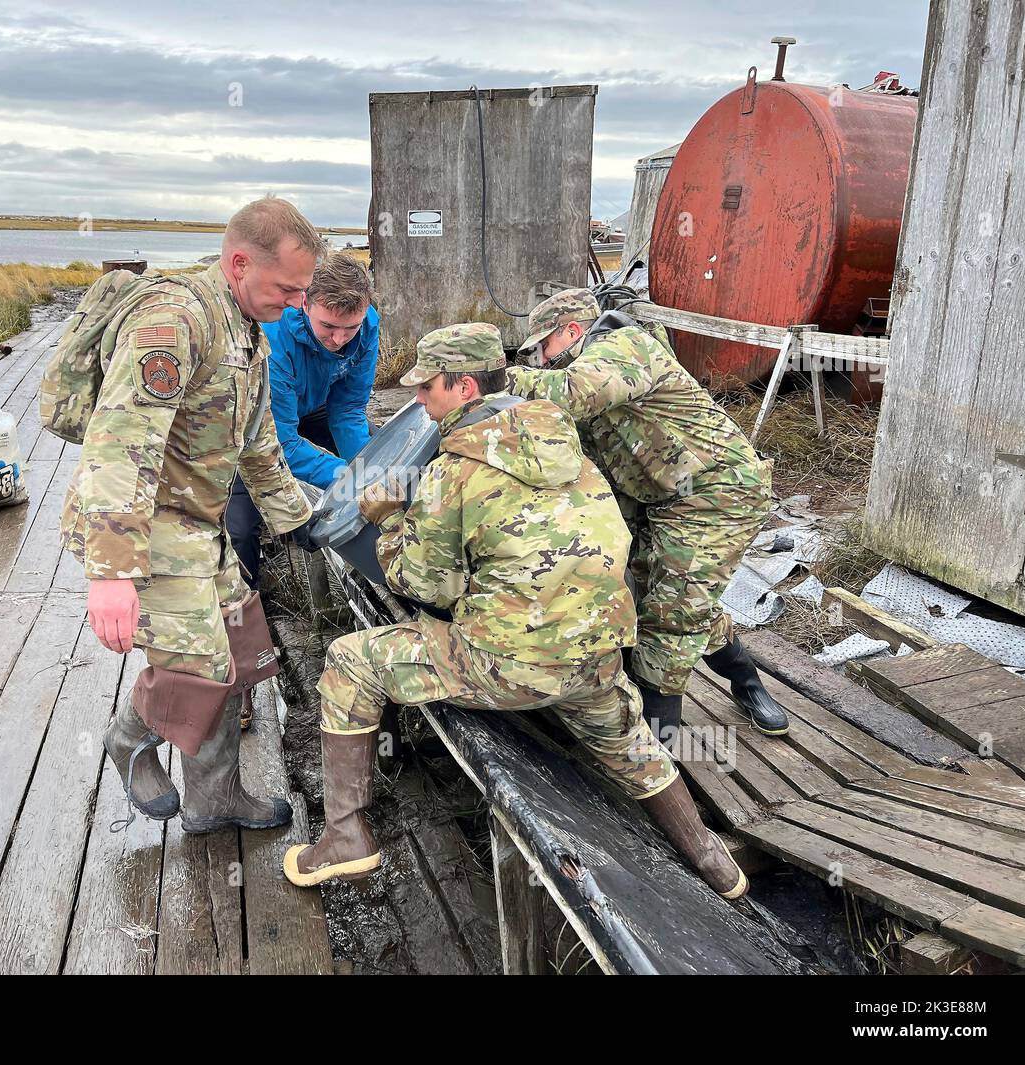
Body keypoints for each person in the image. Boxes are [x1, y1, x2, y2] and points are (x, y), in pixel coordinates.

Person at [282, 322, 749, 900]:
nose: (418, 402)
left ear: (466, 389)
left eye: (427, 389)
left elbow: (423, 584)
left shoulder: (451, 470)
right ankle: (710, 856)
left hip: (506, 667)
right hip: (599, 659)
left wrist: (390, 519)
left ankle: (346, 837)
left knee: (349, 661)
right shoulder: (567, 443)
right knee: (631, 745)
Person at [58, 196, 321, 833]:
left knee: (244, 646)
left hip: (197, 524)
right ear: (239, 263)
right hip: (142, 528)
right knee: (198, 664)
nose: (296, 304)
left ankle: (213, 797)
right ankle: (130, 740)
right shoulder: (173, 322)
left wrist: (296, 518)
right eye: (287, 288)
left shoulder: (247, 328)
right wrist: (112, 574)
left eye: (302, 291)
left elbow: (253, 441)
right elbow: (121, 441)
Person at [507, 288, 790, 744]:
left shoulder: (623, 348)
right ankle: (746, 679)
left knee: (672, 615)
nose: (539, 360)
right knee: (657, 598)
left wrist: (488, 379)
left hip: (720, 492)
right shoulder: (578, 377)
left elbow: (574, 393)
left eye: (543, 348)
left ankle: (661, 751)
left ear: (573, 331)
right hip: (657, 500)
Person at [225, 252, 379, 591]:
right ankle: (245, 606)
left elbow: (349, 409)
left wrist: (368, 474)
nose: (340, 339)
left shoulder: (367, 325)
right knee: (238, 530)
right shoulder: (273, 337)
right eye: (328, 327)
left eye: (350, 328)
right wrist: (348, 479)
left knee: (383, 455)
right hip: (256, 422)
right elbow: (281, 443)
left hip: (315, 407)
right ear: (305, 302)